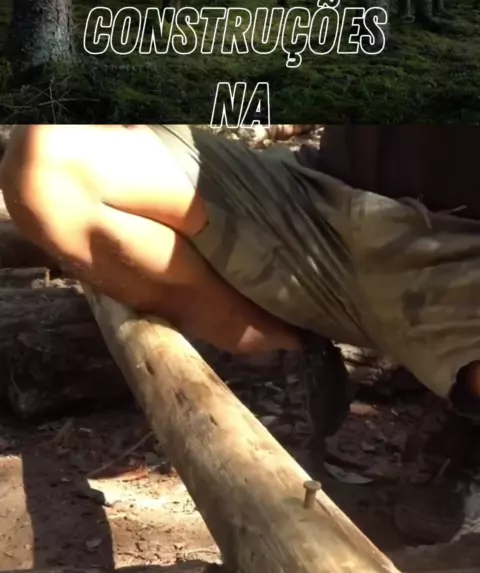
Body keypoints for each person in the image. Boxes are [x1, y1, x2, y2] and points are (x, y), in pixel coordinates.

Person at [2, 124, 480, 545]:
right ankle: (276, 358)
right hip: (321, 201)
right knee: (47, 164)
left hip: (463, 264)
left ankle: (462, 431)